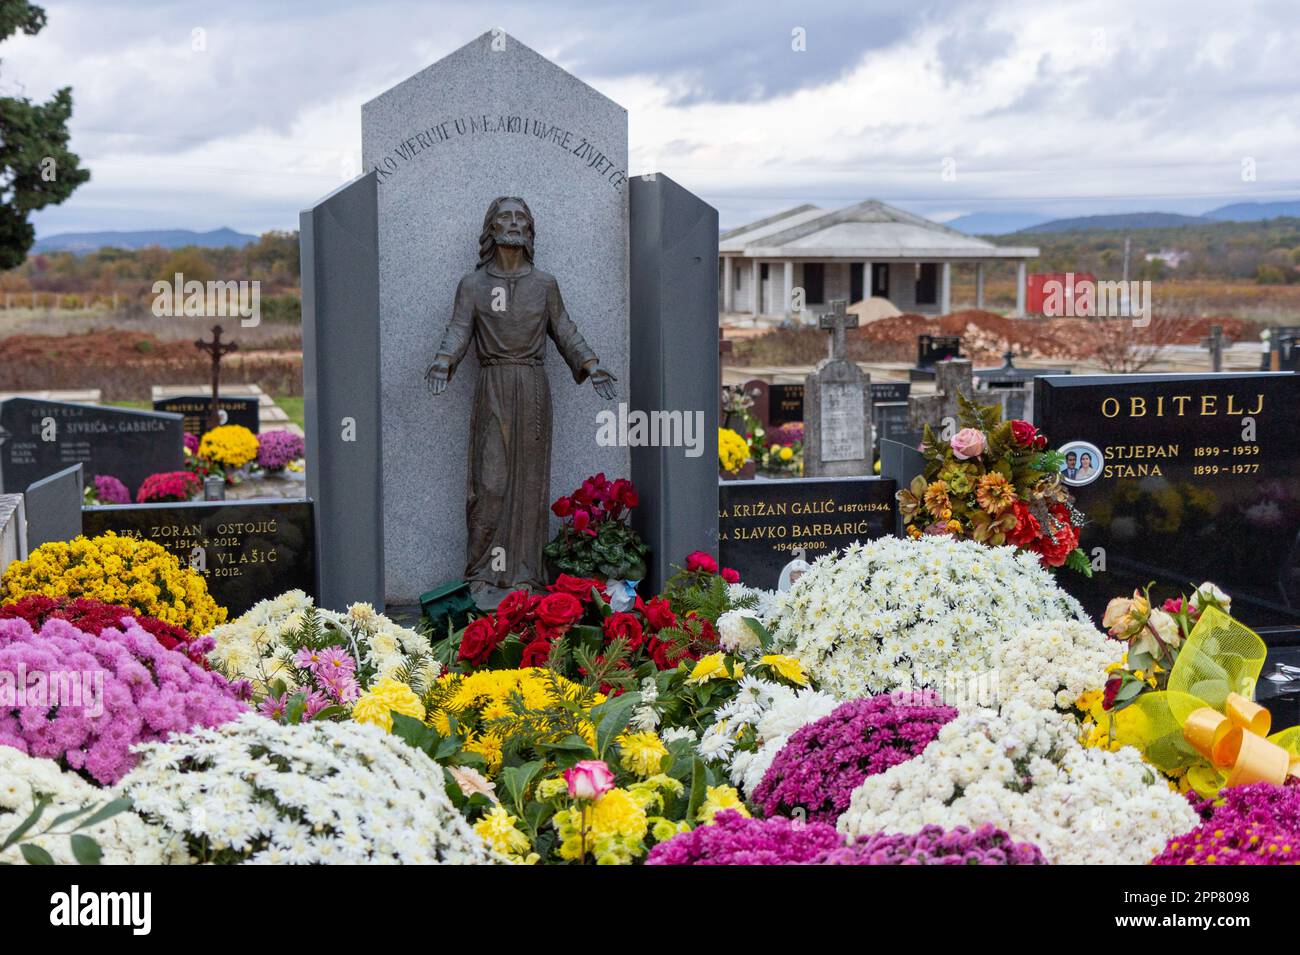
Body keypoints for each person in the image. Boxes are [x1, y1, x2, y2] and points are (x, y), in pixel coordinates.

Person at [427, 196, 617, 603]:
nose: (513, 224)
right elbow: (459, 328)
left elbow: (563, 327)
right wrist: (445, 360)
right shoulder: (473, 285)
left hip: (531, 389)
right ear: (491, 229)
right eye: (504, 218)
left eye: (521, 218)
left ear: (529, 230)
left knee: (529, 485)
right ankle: (482, 572)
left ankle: (524, 577)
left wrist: (590, 362)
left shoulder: (543, 284)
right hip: (493, 385)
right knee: (490, 483)